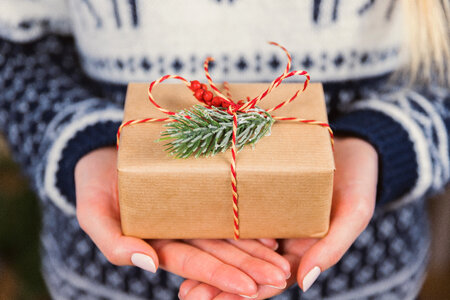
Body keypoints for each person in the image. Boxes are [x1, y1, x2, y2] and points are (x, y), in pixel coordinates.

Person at [0, 0, 448, 299]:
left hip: (365, 276)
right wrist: (83, 145)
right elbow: (13, 50)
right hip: (107, 278)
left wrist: (384, 142)